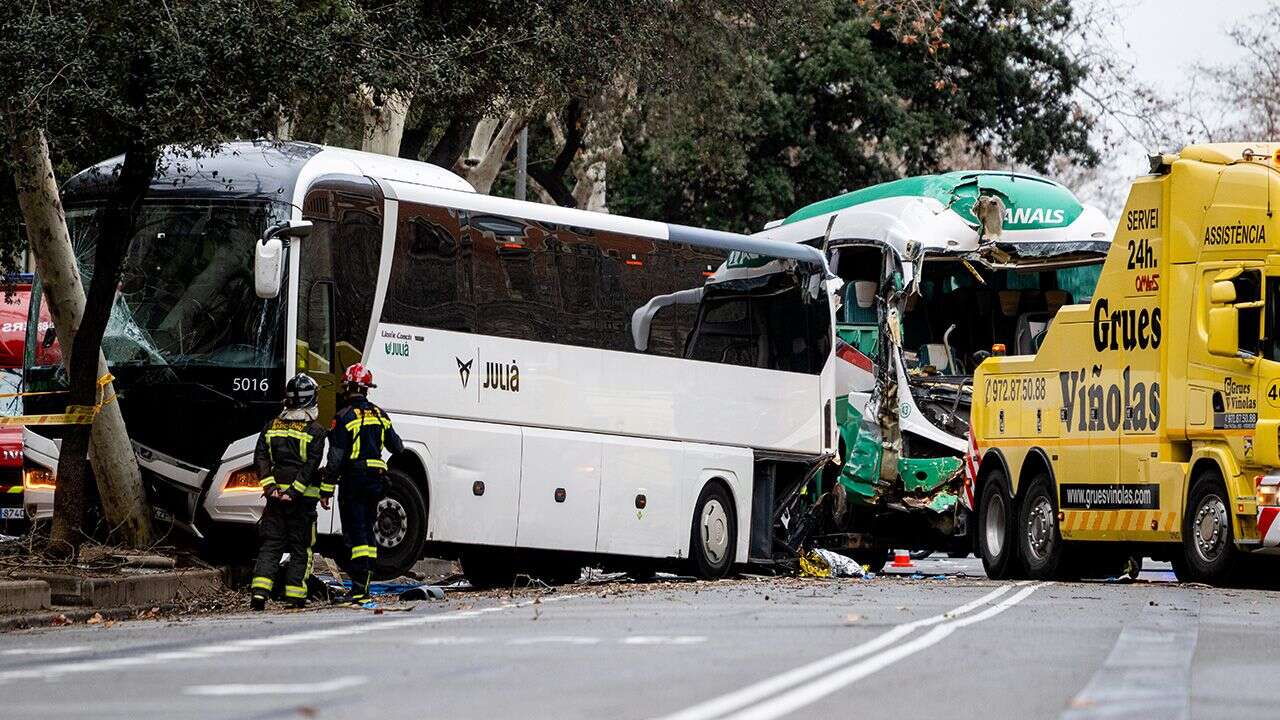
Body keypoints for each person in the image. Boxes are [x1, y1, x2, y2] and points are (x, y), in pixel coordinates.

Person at [249, 374, 328, 611]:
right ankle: (295, 596)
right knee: (301, 548)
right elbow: (310, 466)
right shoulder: (316, 430)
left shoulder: (272, 425)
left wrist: (271, 488)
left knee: (271, 546)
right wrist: (293, 492)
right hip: (301, 502)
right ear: (312, 398)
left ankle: (259, 594)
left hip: (274, 499)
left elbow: (260, 458)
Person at [327, 363, 403, 603]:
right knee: (369, 530)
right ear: (367, 389)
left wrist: (326, 488)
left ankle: (359, 589)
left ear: (348, 387)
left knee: (355, 532)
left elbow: (336, 458)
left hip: (353, 481)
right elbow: (398, 447)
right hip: (376, 482)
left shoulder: (343, 417)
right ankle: (364, 584)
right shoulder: (381, 415)